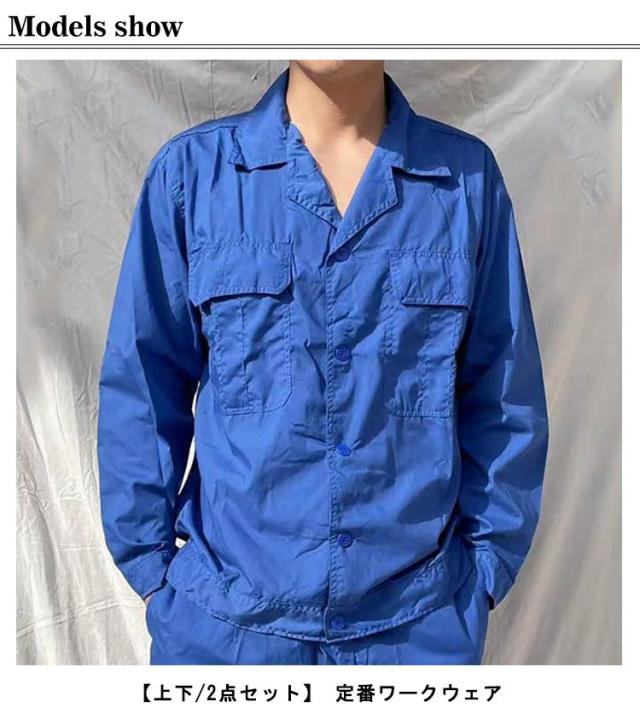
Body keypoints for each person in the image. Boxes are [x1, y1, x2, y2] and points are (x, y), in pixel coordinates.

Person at [97, 60, 549, 665]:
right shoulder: (195, 176)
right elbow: (142, 387)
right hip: (226, 633)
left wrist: (484, 573)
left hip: (415, 630)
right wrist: (153, 573)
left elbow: (504, 393)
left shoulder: (463, 181)